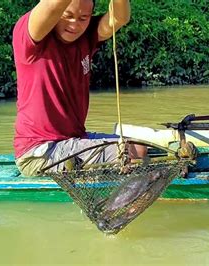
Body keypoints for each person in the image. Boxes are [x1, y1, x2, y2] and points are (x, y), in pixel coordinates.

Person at [12, 0, 145, 176]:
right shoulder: (32, 37)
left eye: (83, 18)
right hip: (41, 152)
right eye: (67, 16)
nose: (74, 24)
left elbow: (119, 17)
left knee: (144, 146)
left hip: (73, 141)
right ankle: (128, 203)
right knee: (136, 152)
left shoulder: (87, 37)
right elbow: (52, 5)